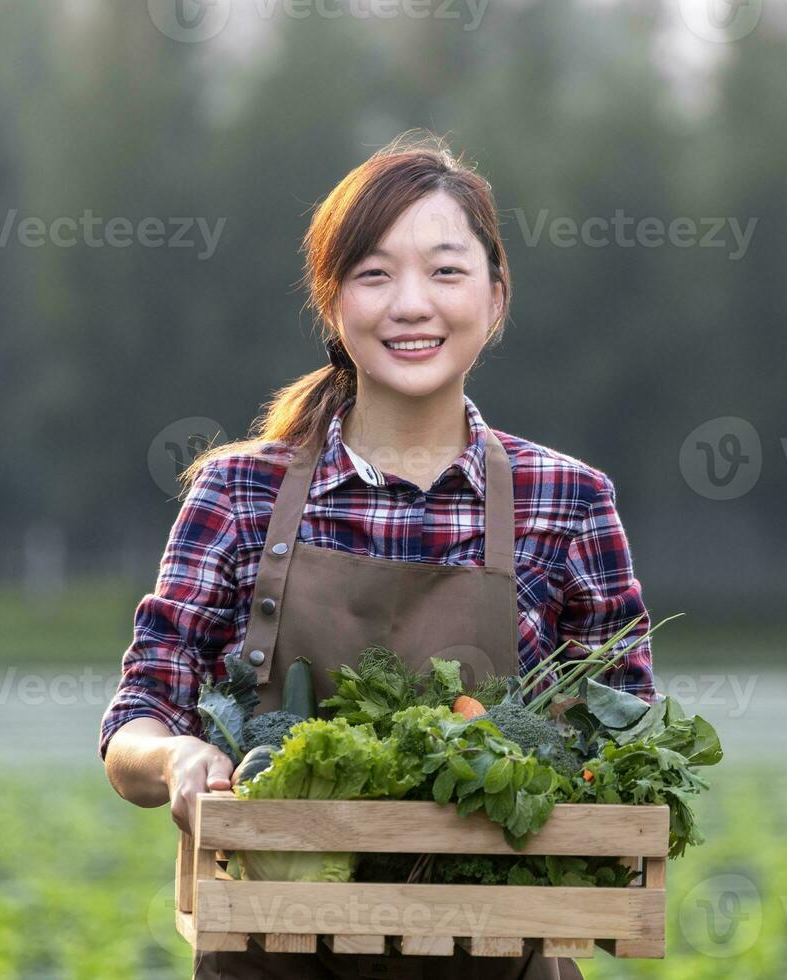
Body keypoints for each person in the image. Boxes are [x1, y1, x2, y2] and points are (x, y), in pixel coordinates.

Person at [99, 130, 656, 979]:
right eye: (373, 274)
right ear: (333, 304)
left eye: (444, 270)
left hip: (502, 958)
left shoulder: (568, 499)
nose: (410, 304)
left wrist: (567, 771)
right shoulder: (239, 493)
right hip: (271, 954)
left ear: (496, 298)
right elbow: (138, 715)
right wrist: (178, 756)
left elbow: (630, 731)